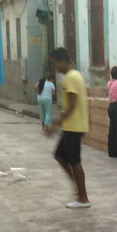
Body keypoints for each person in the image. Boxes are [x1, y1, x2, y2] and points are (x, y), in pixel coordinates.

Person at [47, 48, 90, 209]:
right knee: (60, 156)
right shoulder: (76, 75)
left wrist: (55, 124)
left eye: (55, 63)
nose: (55, 67)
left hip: (73, 126)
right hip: (73, 126)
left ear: (63, 60)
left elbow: (71, 105)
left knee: (74, 161)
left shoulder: (70, 78)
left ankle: (83, 198)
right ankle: (78, 190)